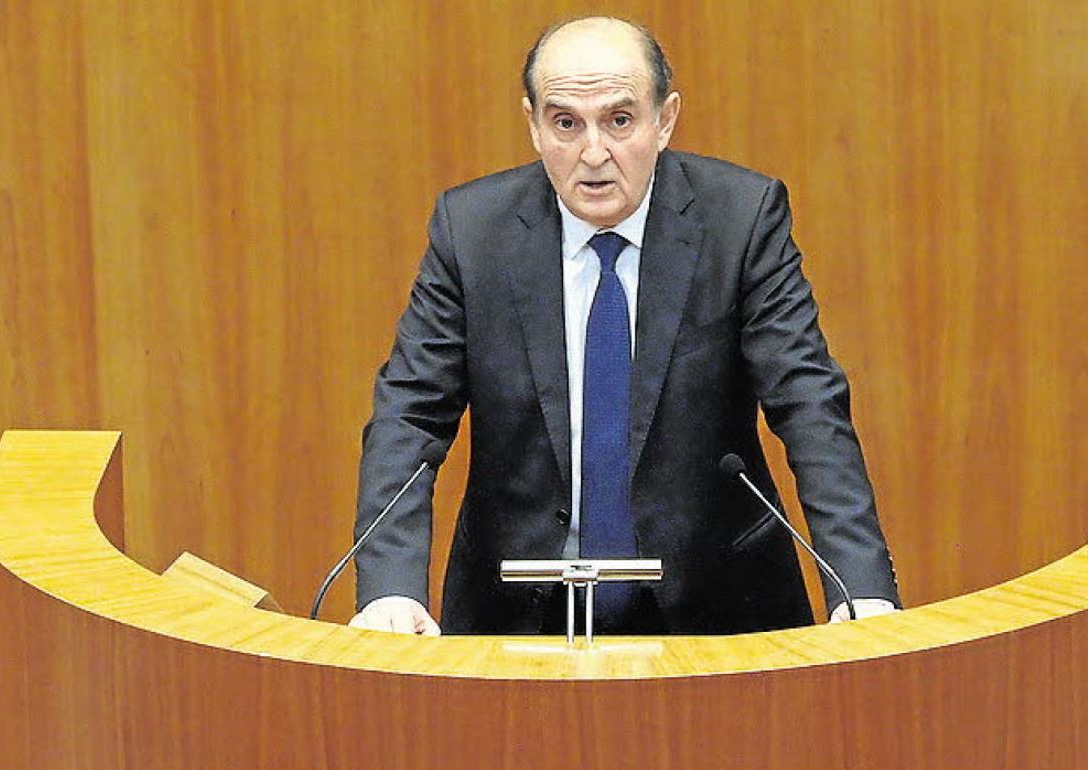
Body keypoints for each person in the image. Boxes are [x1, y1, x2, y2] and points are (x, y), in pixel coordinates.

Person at [350, 16, 899, 636]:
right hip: (520, 607)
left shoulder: (740, 220)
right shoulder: (473, 230)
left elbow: (808, 404)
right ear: (533, 126)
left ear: (664, 120)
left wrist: (861, 587)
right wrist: (390, 587)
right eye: (566, 123)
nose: (593, 154)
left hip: (719, 606)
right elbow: (411, 413)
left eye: (619, 120)